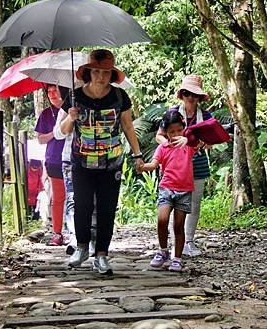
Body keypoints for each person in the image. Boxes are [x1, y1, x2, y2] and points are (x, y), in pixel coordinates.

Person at [60, 49, 144, 274]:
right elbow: (64, 130)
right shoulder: (75, 96)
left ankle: (102, 254)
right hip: (81, 161)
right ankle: (81, 247)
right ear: (89, 72)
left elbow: (127, 126)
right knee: (82, 205)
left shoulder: (119, 97)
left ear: (112, 74)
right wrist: (71, 116)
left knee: (107, 208)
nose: (100, 76)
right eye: (96, 71)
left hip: (111, 162)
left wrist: (137, 154)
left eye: (105, 72)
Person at [155, 74, 212, 257]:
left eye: (194, 94)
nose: (190, 97)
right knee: (171, 204)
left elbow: (211, 140)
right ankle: (174, 244)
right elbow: (160, 135)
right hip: (174, 165)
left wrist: (200, 144)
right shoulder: (172, 113)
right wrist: (167, 145)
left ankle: (189, 241)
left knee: (193, 205)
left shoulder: (206, 116)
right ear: (182, 94)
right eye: (187, 93)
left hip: (198, 162)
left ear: (199, 97)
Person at [139, 111, 201, 272]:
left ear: (184, 129)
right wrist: (142, 166)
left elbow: (204, 141)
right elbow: (153, 164)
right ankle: (163, 251)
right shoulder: (163, 147)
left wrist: (188, 138)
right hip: (166, 188)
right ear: (165, 133)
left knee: (179, 226)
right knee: (162, 220)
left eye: (179, 131)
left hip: (184, 190)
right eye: (172, 132)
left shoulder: (188, 146)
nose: (175, 135)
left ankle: (178, 258)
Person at [53, 107, 97, 257]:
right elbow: (58, 134)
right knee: (73, 199)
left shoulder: (103, 99)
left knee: (93, 200)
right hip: (71, 158)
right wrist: (70, 117)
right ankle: (75, 238)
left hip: (96, 157)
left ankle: (91, 239)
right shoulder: (69, 105)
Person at [35, 84, 69, 246]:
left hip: (74, 157)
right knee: (58, 197)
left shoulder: (73, 110)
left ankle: (77, 232)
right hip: (54, 159)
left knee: (77, 197)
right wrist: (56, 133)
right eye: (48, 92)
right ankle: (57, 233)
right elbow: (40, 139)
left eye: (55, 91)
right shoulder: (46, 114)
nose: (52, 94)